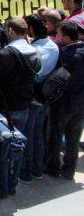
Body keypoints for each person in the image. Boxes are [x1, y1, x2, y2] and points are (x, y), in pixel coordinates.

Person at [0, 18, 41, 198]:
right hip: (24, 107)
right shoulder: (34, 51)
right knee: (18, 147)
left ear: (11, 30)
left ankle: (0, 187)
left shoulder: (5, 54)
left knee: (0, 151)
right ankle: (12, 185)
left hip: (5, 109)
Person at [19, 14, 59, 184]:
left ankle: (27, 173)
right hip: (40, 98)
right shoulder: (49, 45)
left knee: (30, 136)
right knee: (37, 135)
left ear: (31, 29)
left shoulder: (42, 49)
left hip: (35, 97)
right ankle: (36, 169)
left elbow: (35, 73)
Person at [46, 21, 84, 180]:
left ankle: (53, 168)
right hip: (80, 104)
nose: (56, 37)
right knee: (73, 139)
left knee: (55, 136)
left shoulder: (66, 56)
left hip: (63, 104)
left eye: (59, 35)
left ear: (67, 38)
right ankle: (69, 170)